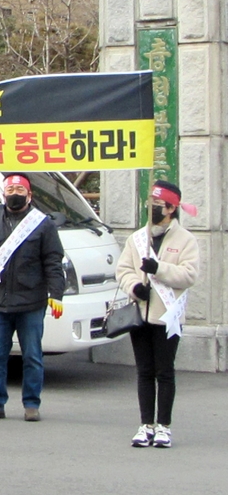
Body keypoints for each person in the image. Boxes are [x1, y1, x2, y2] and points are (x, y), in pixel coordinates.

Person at [0, 173, 65, 422]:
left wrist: (56, 293)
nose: (15, 193)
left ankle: (31, 404)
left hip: (32, 302)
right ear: (3, 194)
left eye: (20, 190)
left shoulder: (43, 225)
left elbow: (53, 261)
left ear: (29, 195)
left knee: (32, 356)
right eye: (10, 189)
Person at [116, 181, 199, 448]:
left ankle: (164, 425)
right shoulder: (137, 238)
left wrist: (159, 268)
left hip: (167, 316)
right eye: (149, 204)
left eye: (157, 205)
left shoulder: (186, 240)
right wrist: (133, 286)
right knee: (144, 371)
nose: (151, 209)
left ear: (171, 208)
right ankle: (145, 424)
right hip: (140, 314)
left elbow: (189, 274)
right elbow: (124, 269)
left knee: (164, 371)